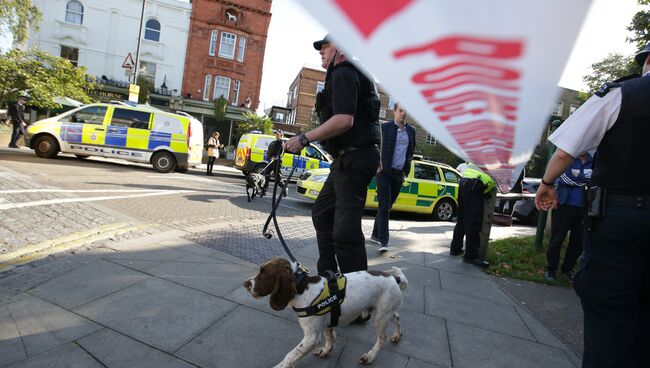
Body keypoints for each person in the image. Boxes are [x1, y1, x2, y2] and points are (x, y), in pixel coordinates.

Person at [535, 43, 650, 368]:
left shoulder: (624, 94)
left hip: (623, 221)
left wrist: (546, 184)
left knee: (609, 316)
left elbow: (564, 149)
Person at [285, 34, 381, 276]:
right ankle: (328, 276)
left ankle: (357, 296)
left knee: (345, 233)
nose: (321, 51)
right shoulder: (351, 73)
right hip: (347, 159)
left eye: (325, 47)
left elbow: (344, 120)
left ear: (340, 49)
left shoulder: (344, 72)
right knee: (322, 214)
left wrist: (304, 138)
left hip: (354, 159)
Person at [370, 102, 416, 253]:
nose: (403, 113)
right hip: (384, 172)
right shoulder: (385, 127)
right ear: (395, 111)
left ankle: (376, 234)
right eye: (400, 110)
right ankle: (384, 241)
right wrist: (377, 165)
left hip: (399, 174)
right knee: (384, 206)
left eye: (405, 111)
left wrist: (405, 171)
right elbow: (375, 146)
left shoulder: (412, 131)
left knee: (387, 206)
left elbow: (410, 152)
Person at [544, 153, 593, 281]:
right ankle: (551, 270)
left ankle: (567, 270)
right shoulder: (567, 159)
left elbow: (596, 181)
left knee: (578, 241)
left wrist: (581, 180)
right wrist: (586, 181)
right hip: (563, 205)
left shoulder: (594, 161)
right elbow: (565, 178)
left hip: (585, 208)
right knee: (557, 239)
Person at [449, 163, 494, 268]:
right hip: (476, 184)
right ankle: (471, 256)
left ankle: (455, 249)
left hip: (465, 181)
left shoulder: (482, 150)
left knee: (462, 218)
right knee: (474, 222)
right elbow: (493, 181)